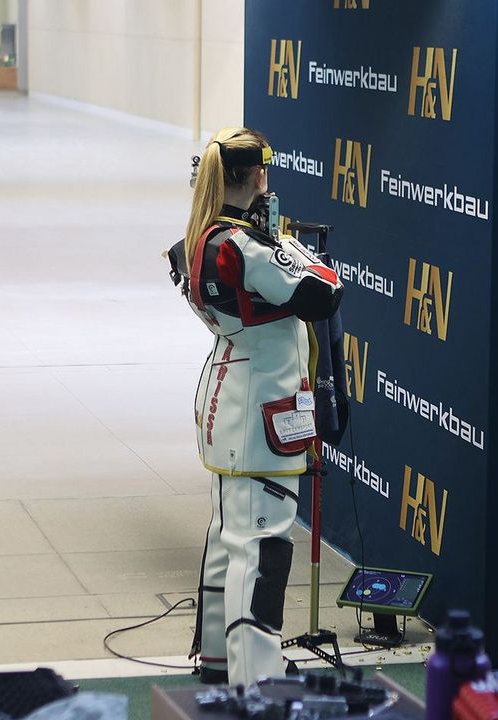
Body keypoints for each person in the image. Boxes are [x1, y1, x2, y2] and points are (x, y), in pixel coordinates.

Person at [166, 128, 344, 687]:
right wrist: (287, 243)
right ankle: (256, 679)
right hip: (263, 410)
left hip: (229, 401)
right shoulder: (243, 247)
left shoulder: (196, 240)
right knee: (262, 550)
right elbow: (324, 291)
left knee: (228, 539)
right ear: (257, 176)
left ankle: (220, 662)